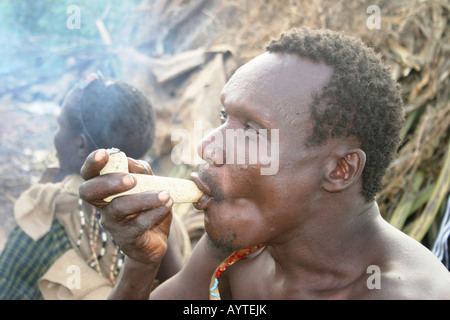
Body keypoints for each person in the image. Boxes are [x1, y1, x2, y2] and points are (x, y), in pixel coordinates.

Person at [79, 28, 450, 299]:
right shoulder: (243, 246)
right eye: (225, 116)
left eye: (253, 130)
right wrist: (143, 264)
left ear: (340, 169)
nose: (208, 144)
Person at [0, 74, 190, 300]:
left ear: (80, 145)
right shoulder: (166, 218)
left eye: (59, 126)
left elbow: (8, 287)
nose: (55, 136)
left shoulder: (45, 208)